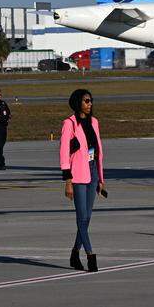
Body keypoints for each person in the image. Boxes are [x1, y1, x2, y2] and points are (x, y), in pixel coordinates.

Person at [60, 88, 105, 272]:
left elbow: (98, 151)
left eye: (91, 100)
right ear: (78, 102)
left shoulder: (94, 122)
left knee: (86, 219)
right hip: (77, 174)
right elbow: (63, 153)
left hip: (92, 172)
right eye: (86, 101)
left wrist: (101, 178)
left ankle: (74, 253)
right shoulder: (69, 124)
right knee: (82, 217)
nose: (90, 104)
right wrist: (68, 180)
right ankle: (90, 254)